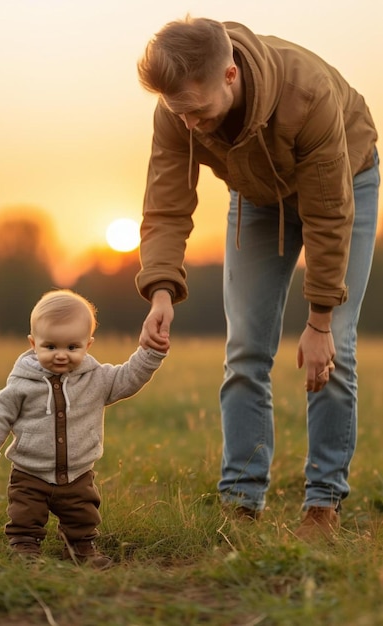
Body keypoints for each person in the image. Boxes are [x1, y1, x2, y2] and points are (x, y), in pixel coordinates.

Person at [135, 16, 380, 542]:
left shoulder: (306, 93)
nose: (192, 125)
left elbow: (328, 213)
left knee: (334, 346)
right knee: (245, 348)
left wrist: (318, 320)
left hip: (345, 183)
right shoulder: (178, 111)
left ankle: (323, 504)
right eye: (181, 113)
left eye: (198, 111)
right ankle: (242, 502)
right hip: (257, 195)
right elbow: (166, 203)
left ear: (229, 75)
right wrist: (160, 290)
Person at [0, 289, 169, 566]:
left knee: (83, 517)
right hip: (30, 472)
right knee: (25, 516)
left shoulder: (97, 379)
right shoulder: (22, 383)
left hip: (77, 473)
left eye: (72, 347)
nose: (61, 355)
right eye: (50, 347)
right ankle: (25, 550)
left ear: (88, 345)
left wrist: (151, 354)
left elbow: (129, 376)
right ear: (33, 343)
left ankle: (81, 550)